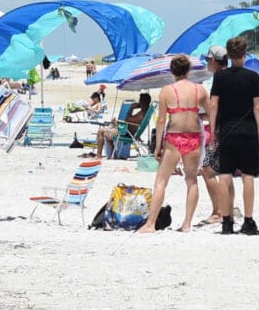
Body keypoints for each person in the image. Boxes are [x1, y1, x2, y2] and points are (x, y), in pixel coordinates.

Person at [138, 56, 210, 233]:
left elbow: (161, 120)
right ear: (188, 71)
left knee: (161, 181)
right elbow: (211, 113)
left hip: (174, 137)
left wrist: (157, 147)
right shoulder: (199, 90)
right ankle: (187, 224)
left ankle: (151, 224)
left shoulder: (166, 91)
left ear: (172, 71)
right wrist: (202, 120)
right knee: (191, 180)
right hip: (194, 136)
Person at [207, 36, 259, 236]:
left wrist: (213, 130)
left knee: (224, 176)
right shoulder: (253, 77)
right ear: (245, 54)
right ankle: (248, 220)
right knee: (248, 177)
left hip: (227, 130)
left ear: (229, 56)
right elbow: (257, 106)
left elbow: (213, 104)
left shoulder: (220, 77)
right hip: (248, 130)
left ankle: (226, 221)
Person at [197, 45, 232, 225]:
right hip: (235, 131)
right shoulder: (237, 75)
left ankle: (219, 211)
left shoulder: (218, 79)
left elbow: (215, 109)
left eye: (207, 60)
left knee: (207, 170)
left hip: (221, 132)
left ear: (213, 60)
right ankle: (228, 210)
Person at [95, 93, 150, 158]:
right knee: (106, 131)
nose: (138, 102)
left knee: (100, 131)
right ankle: (113, 155)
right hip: (129, 132)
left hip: (126, 133)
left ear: (142, 102)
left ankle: (98, 155)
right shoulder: (144, 112)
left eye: (140, 101)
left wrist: (131, 108)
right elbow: (130, 121)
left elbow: (127, 119)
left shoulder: (141, 115)